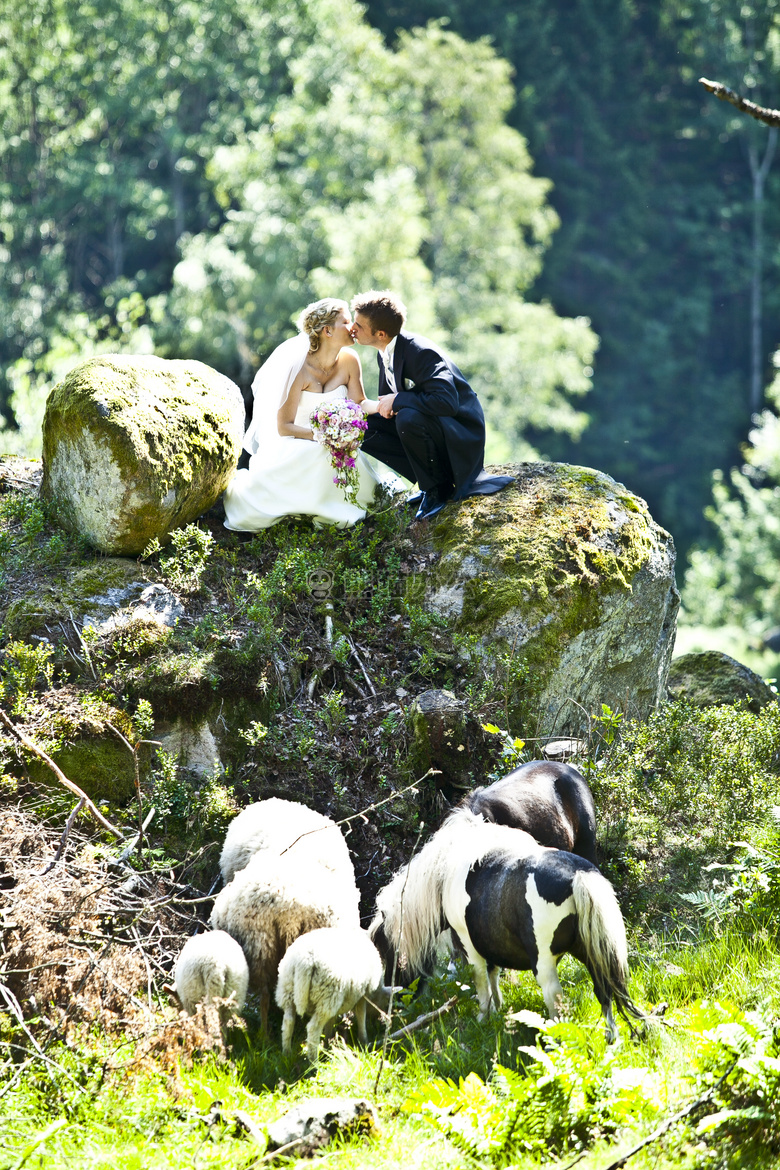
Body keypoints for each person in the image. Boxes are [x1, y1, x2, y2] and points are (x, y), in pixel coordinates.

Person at [223, 299, 400, 531]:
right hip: (295, 441)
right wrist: (324, 437)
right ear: (327, 330)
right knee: (321, 453)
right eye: (346, 322)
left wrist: (382, 406)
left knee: (344, 458)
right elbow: (284, 426)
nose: (353, 327)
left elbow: (358, 403)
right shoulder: (298, 367)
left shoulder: (350, 361)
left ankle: (332, 509)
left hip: (329, 442)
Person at [350, 290, 513, 521]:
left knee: (407, 418)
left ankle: (439, 489)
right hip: (430, 422)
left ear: (381, 333)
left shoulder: (420, 352)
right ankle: (429, 482)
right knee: (362, 425)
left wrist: (398, 401)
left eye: (359, 325)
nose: (352, 329)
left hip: (458, 429)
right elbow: (389, 401)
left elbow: (446, 402)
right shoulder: (385, 351)